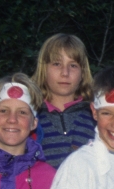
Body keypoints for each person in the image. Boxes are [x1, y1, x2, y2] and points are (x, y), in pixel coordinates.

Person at [31, 33, 96, 168]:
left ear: (83, 72)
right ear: (43, 69)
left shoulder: (96, 116)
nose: (65, 73)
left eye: (73, 65)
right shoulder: (30, 117)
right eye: (57, 64)